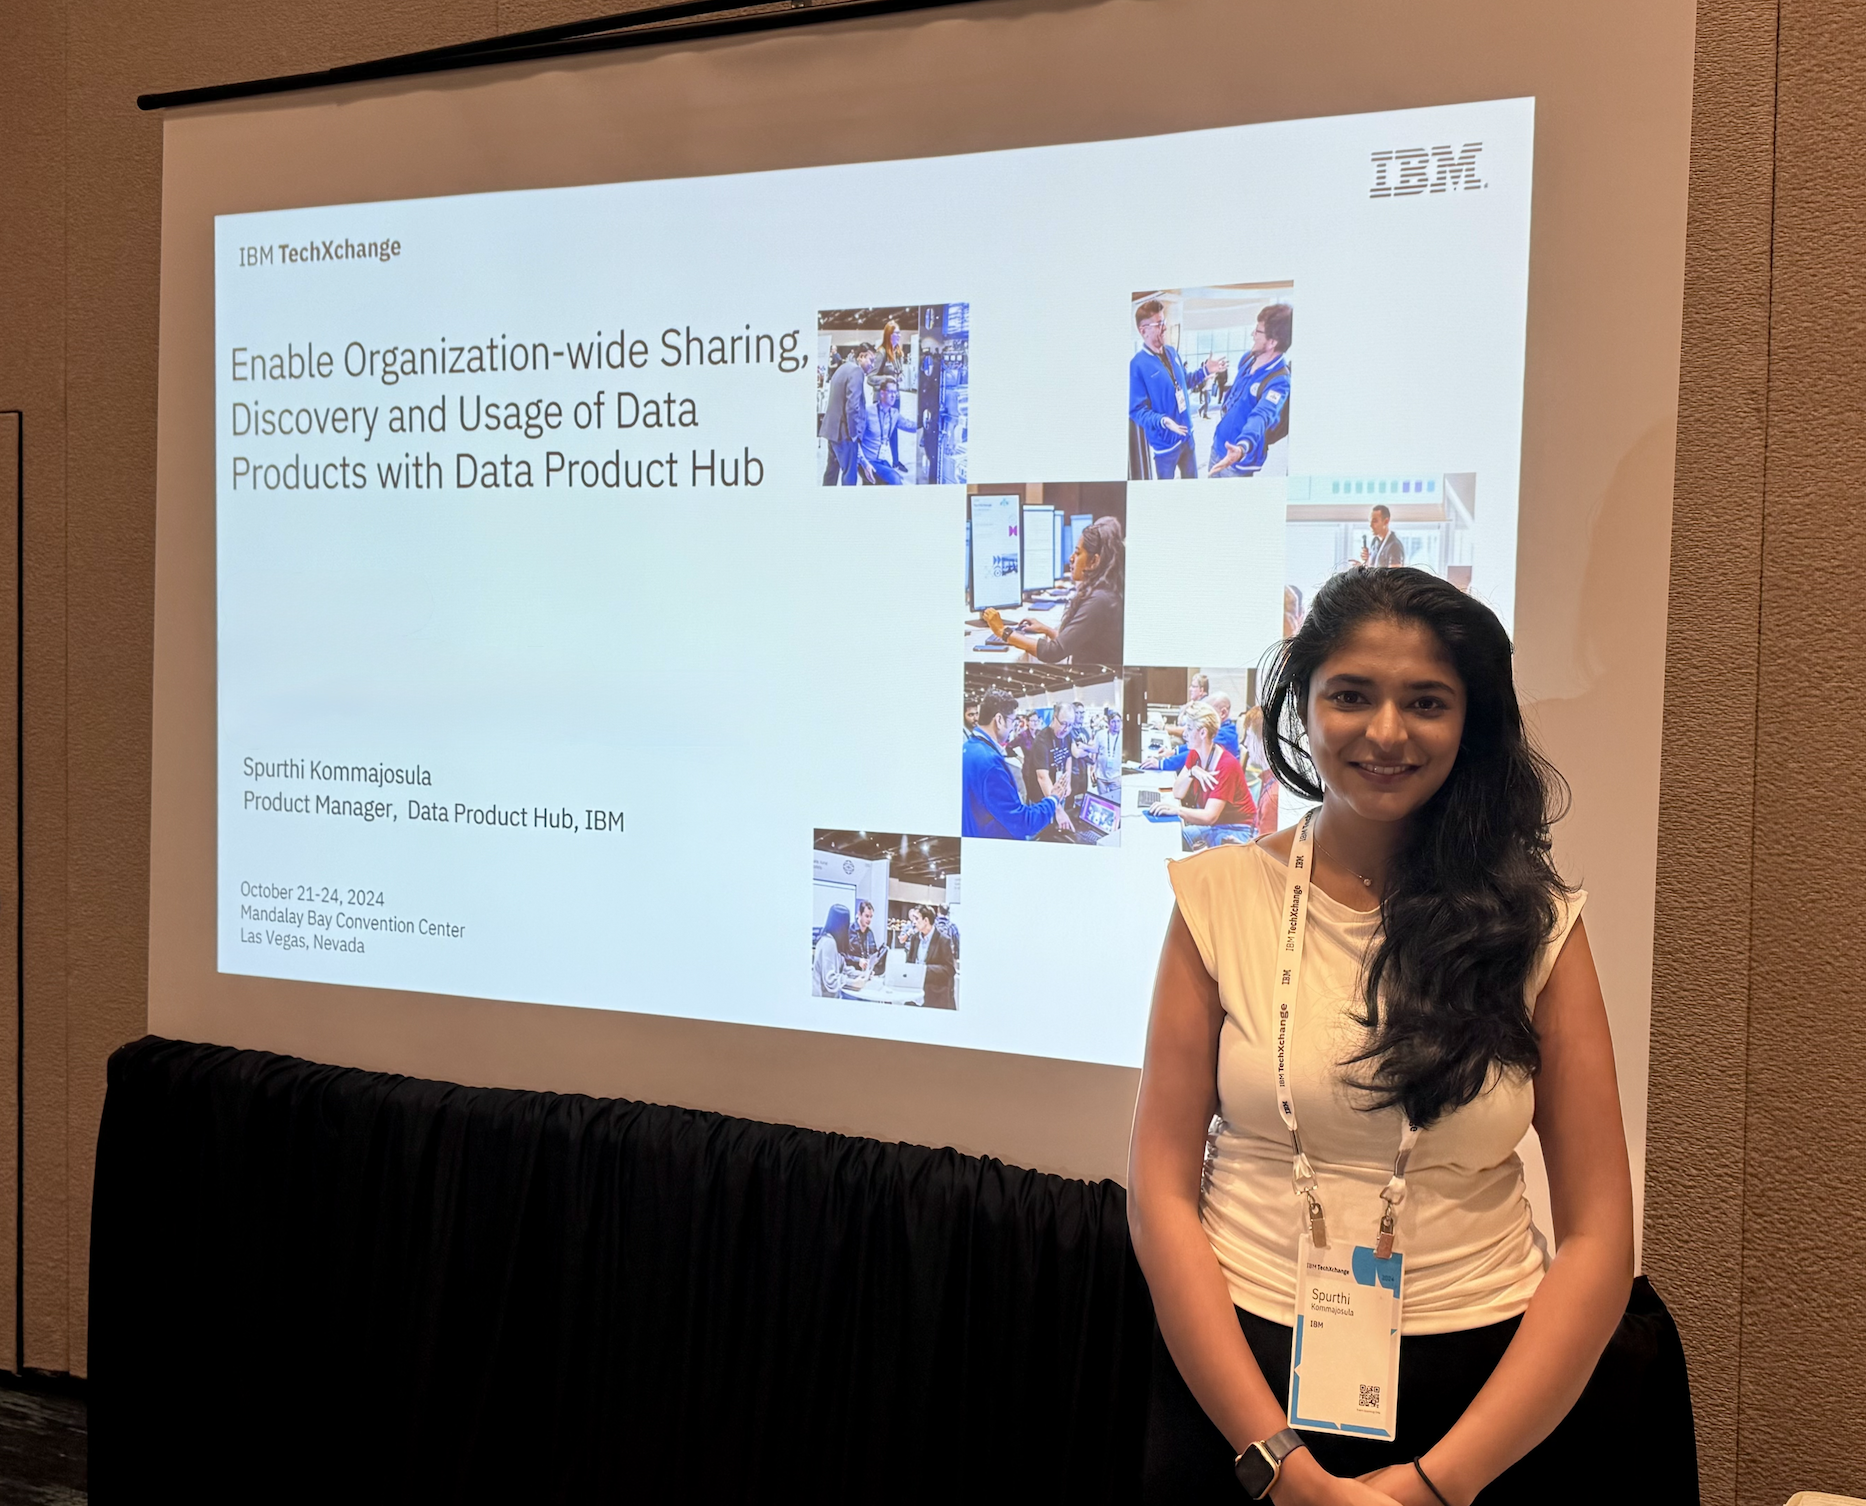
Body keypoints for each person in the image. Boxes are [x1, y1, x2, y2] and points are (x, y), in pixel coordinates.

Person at [1130, 566, 1640, 1503]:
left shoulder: (1538, 924)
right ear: (1305, 704)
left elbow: (1601, 1235)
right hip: (1239, 1388)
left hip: (1483, 1396)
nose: (1387, 733)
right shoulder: (1217, 899)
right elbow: (1160, 1192)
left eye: (1428, 702)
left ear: (1471, 721)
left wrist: (1440, 1485)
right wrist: (1280, 1465)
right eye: (1352, 696)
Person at [982, 515, 1126, 673]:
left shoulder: (1099, 600)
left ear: (1094, 561)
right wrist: (1047, 630)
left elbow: (1053, 652)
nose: (1071, 559)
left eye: (1078, 554)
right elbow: (1077, 643)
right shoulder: (1106, 593)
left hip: (1093, 687)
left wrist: (1003, 632)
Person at [1130, 299, 1226, 479]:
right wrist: (1163, 421)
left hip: (1187, 437)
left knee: (1191, 485)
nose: (1165, 327)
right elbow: (1136, 411)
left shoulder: (1172, 352)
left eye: (1164, 322)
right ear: (1143, 331)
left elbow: (1184, 382)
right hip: (1165, 447)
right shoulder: (1137, 365)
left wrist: (1205, 371)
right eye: (1159, 324)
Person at [963, 689, 1070, 839]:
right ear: (999, 720)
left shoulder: (969, 747)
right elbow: (1023, 822)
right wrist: (1053, 799)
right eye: (1012, 721)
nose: (1014, 727)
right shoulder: (991, 764)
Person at [1154, 700, 1256, 848]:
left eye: (1189, 728)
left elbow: (1209, 816)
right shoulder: (1195, 754)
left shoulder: (1226, 765)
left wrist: (1177, 811)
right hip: (1218, 825)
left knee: (1180, 842)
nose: (1185, 734)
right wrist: (1191, 772)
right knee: (1176, 838)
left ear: (1202, 733)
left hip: (1237, 830)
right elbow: (1177, 792)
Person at [1208, 303, 1292, 478]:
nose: (1252, 335)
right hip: (1218, 446)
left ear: (1272, 342)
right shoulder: (1247, 359)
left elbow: (1261, 416)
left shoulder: (1279, 381)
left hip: (1238, 461)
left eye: (1258, 331)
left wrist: (1241, 447)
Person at [819, 344, 877, 485]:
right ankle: (848, 505)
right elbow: (852, 407)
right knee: (849, 475)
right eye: (871, 360)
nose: (873, 365)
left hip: (832, 432)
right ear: (861, 356)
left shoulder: (843, 368)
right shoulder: (856, 372)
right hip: (844, 434)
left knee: (831, 473)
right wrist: (854, 434)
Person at [1153, 692, 1240, 773]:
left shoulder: (1224, 734)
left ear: (1223, 713)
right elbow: (1195, 745)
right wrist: (1174, 752)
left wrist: (1162, 764)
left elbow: (1195, 753)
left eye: (1207, 714)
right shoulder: (1223, 729)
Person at [859, 377, 917, 484]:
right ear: (882, 393)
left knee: (897, 479)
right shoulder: (868, 412)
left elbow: (909, 425)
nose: (893, 395)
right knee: (895, 480)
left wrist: (926, 422)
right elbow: (856, 441)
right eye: (890, 392)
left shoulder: (894, 414)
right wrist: (864, 463)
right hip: (868, 461)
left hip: (882, 460)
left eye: (895, 392)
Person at [1023, 700, 1078, 806]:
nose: (1066, 729)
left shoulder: (1067, 735)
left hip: (1058, 792)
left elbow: (1068, 758)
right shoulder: (1042, 740)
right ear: (1054, 717)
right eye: (1063, 724)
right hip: (1041, 797)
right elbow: (1042, 777)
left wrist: (1068, 782)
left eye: (1070, 725)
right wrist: (1055, 805)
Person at [905, 906, 956, 1010]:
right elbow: (910, 962)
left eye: (916, 918)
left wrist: (924, 970)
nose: (914, 922)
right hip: (913, 997)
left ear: (926, 920)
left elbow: (949, 970)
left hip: (935, 998)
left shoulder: (943, 940)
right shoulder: (915, 938)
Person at [811, 904, 850, 998]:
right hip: (823, 1001)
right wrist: (851, 982)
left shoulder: (835, 942)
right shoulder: (829, 943)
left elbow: (844, 969)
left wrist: (862, 975)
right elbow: (830, 980)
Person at [1360, 503, 1407, 568]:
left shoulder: (1395, 546)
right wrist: (1365, 562)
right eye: (1370, 521)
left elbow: (1394, 576)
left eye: (1375, 521)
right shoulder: (1375, 542)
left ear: (1386, 521)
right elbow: (1371, 569)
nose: (1370, 525)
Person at [846, 900, 880, 969]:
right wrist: (858, 960)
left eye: (871, 917)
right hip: (851, 971)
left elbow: (874, 951)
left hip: (867, 971)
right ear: (859, 914)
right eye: (867, 916)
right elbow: (843, 954)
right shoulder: (849, 930)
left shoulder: (870, 933)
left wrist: (875, 959)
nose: (869, 919)